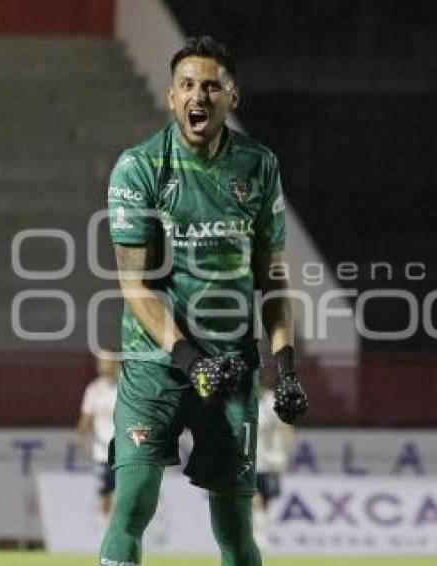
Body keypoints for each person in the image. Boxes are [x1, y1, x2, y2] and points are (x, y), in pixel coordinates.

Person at [99, 36, 308, 566]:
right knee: (132, 503)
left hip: (232, 363)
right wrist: (188, 359)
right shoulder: (140, 168)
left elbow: (273, 282)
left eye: (212, 86)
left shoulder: (258, 166)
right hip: (157, 362)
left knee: (235, 528)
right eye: (187, 85)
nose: (199, 95)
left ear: (231, 99)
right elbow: (134, 285)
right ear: (171, 98)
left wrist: (284, 371)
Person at [74, 351, 120, 517]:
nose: (101, 365)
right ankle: (105, 533)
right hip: (102, 452)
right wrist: (80, 436)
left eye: (105, 362)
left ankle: (124, 535)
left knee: (124, 495)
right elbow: (86, 417)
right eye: (100, 362)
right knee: (104, 493)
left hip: (125, 452)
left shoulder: (126, 387)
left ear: (115, 363)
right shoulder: (94, 389)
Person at [251, 375, 294, 548]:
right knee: (254, 499)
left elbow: (286, 427)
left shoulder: (271, 402)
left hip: (269, 461)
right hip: (249, 460)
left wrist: (283, 453)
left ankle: (263, 532)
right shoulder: (241, 400)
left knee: (269, 501)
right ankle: (258, 535)